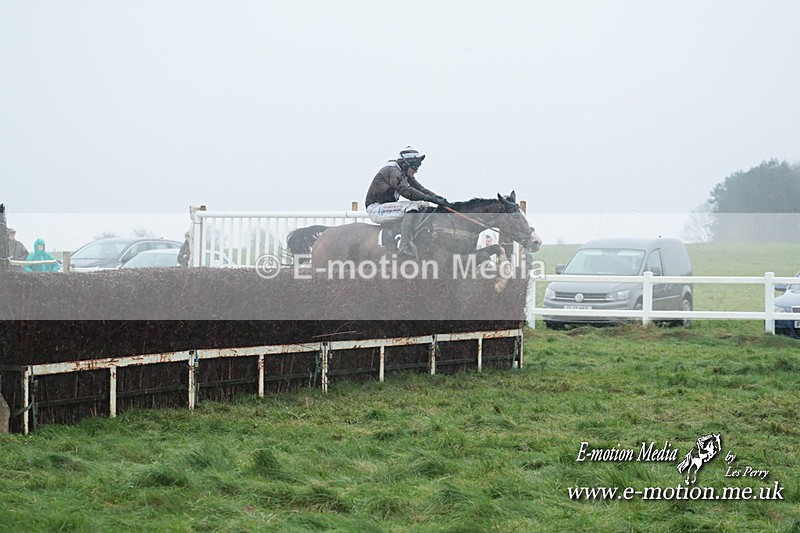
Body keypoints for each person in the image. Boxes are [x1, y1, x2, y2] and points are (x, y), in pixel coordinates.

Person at [365, 146, 451, 257]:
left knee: (423, 204)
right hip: (376, 209)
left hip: (387, 207)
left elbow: (420, 189)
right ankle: (404, 246)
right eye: (414, 168)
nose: (416, 171)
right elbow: (407, 192)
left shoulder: (402, 172)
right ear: (405, 164)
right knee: (411, 206)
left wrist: (438, 198)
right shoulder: (391, 171)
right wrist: (431, 198)